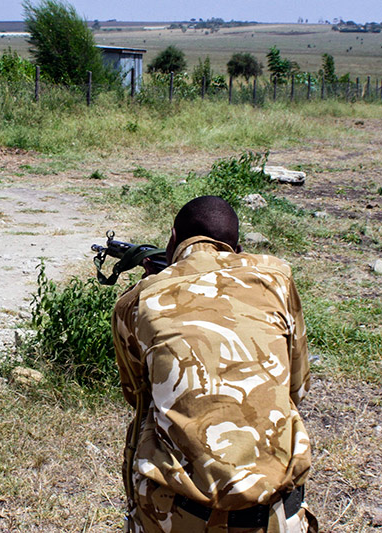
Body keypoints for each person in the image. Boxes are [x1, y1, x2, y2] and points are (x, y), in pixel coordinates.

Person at [112, 196, 317, 533]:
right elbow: (297, 388)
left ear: (173, 238)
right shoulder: (277, 279)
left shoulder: (137, 301)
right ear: (235, 247)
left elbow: (139, 397)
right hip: (276, 513)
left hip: (178, 515)